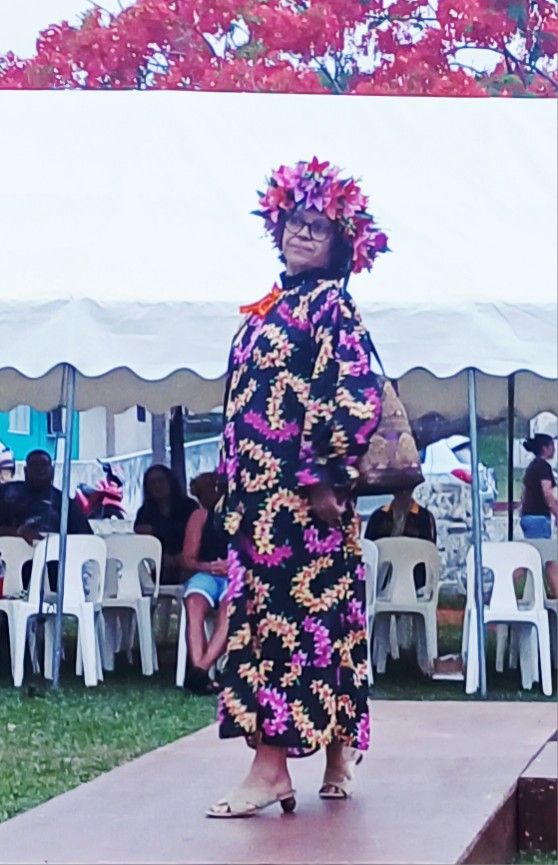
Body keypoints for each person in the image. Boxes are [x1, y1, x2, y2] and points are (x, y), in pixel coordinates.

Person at [206, 158, 387, 818]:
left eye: (318, 226)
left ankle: (272, 768)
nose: (302, 233)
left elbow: (355, 391)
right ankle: (334, 750)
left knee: (289, 630)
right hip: (257, 504)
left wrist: (323, 475)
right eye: (294, 221)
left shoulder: (333, 306)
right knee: (314, 625)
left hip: (302, 504)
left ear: (341, 244)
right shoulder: (269, 308)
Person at [0, 449, 92, 590]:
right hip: (10, 573)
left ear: (52, 471)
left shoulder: (64, 503)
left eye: (44, 464)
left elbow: (85, 538)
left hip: (54, 575)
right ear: (25, 470)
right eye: (34, 464)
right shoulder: (7, 494)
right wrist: (18, 533)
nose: (39, 469)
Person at [181, 472, 229, 696]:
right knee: (194, 603)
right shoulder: (200, 516)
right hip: (206, 573)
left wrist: (232, 565)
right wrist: (210, 566)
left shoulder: (241, 515)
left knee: (231, 607)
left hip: (235, 575)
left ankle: (199, 670)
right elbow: (187, 560)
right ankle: (201, 672)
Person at [365, 486, 437, 593]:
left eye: (406, 488)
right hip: (381, 580)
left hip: (415, 583)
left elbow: (430, 551)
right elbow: (368, 550)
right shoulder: (378, 517)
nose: (403, 492)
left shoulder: (425, 517)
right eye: (399, 488)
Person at [134, 464, 198, 585]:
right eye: (152, 482)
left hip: (189, 563)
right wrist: (163, 557)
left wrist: (183, 557)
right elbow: (143, 541)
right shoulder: (144, 512)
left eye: (161, 480)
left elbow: (200, 536)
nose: (157, 485)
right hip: (159, 566)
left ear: (171, 482)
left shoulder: (189, 506)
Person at [520, 434, 558, 597]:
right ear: (545, 448)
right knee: (548, 560)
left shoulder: (532, 467)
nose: (554, 449)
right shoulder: (543, 467)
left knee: (531, 557)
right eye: (552, 446)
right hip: (539, 518)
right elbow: (547, 494)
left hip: (528, 517)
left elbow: (524, 495)